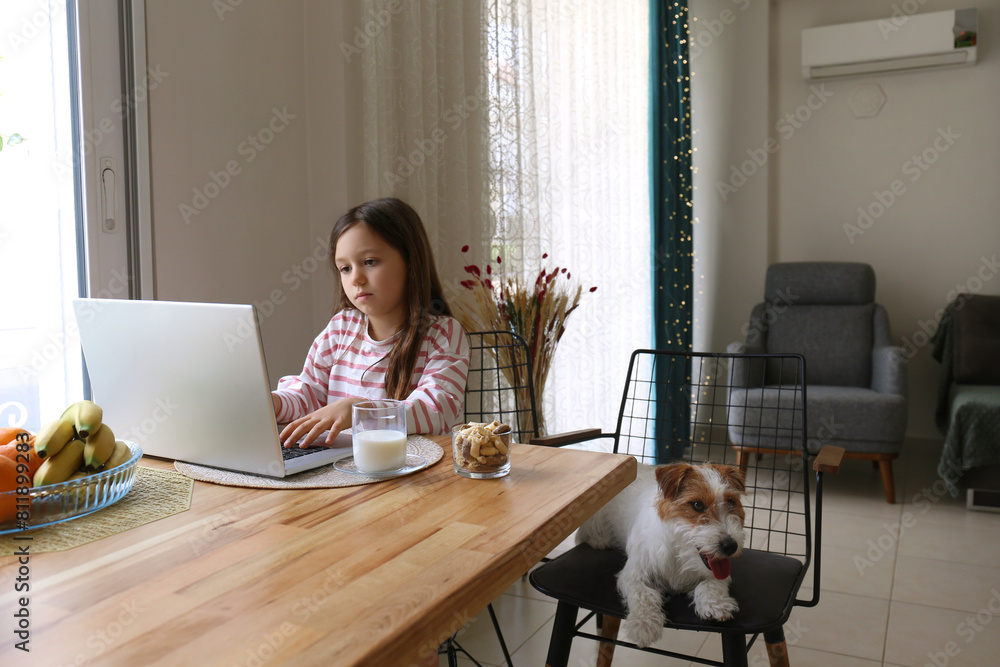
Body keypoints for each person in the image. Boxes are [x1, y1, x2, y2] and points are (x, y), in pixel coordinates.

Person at [271, 198, 470, 448]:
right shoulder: (340, 329)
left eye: (370, 262)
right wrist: (273, 404)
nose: (356, 279)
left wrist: (361, 410)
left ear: (410, 261)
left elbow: (434, 410)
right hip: (342, 466)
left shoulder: (444, 335)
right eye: (345, 268)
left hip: (417, 468)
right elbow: (308, 395)